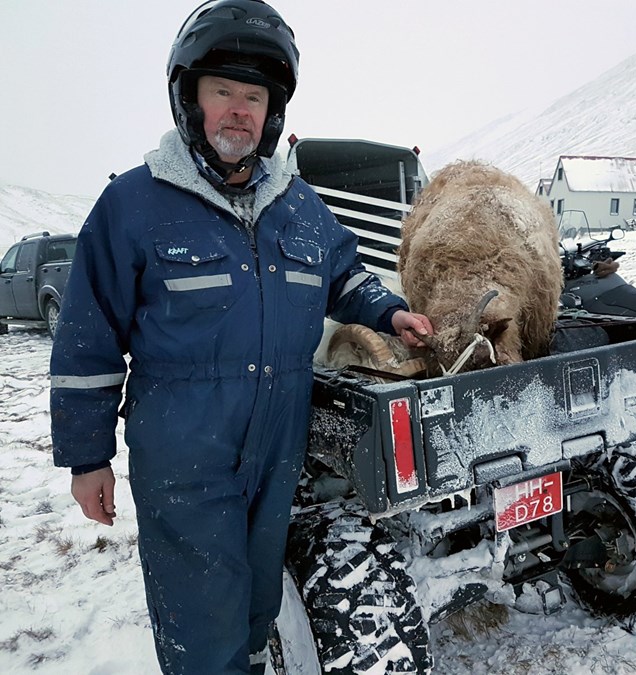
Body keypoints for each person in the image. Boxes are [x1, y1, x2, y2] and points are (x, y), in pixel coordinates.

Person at [49, 2, 432, 673]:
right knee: (203, 631)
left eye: (252, 97)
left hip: (275, 450)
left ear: (272, 111)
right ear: (188, 98)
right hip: (185, 459)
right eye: (222, 91)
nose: (237, 111)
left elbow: (343, 273)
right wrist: (87, 457)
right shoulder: (134, 205)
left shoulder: (299, 203)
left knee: (257, 613)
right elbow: (88, 339)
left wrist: (389, 312)